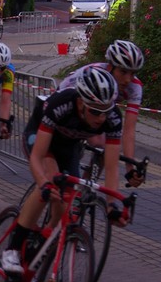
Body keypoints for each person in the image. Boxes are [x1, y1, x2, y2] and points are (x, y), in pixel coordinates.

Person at [2, 66, 125, 275]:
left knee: (65, 206)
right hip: (41, 138)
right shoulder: (61, 104)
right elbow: (37, 157)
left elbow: (112, 167)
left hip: (68, 147)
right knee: (51, 182)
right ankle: (12, 248)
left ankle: (36, 251)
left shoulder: (113, 118)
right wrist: (43, 183)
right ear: (81, 103)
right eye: (95, 111)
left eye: (106, 111)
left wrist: (113, 205)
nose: (101, 118)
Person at [57, 40, 145, 183]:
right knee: (92, 145)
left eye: (133, 73)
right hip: (70, 102)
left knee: (104, 149)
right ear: (110, 67)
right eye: (123, 71)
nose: (128, 79)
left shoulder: (135, 87)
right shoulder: (94, 75)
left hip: (96, 109)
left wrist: (130, 168)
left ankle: (86, 188)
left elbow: (129, 130)